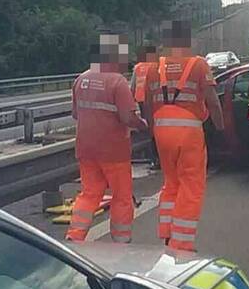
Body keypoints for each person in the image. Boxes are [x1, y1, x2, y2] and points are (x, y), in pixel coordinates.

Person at [144, 20, 224, 252]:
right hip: (188, 131)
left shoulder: (154, 67)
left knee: (171, 183)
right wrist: (220, 128)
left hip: (161, 129)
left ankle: (167, 234)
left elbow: (147, 103)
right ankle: (182, 244)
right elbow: (213, 101)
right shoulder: (198, 64)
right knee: (191, 186)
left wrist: (152, 130)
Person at [66, 34, 148, 244]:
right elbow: (128, 117)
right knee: (121, 197)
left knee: (89, 194)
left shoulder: (81, 79)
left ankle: (75, 237)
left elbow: (75, 114)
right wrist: (142, 125)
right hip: (113, 151)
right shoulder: (117, 82)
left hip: (86, 149)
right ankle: (121, 241)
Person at [130, 45, 160, 168]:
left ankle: (153, 158)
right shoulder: (157, 66)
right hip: (155, 101)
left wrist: (130, 103)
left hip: (142, 101)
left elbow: (132, 87)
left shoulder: (138, 67)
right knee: (156, 128)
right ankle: (158, 157)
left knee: (149, 129)